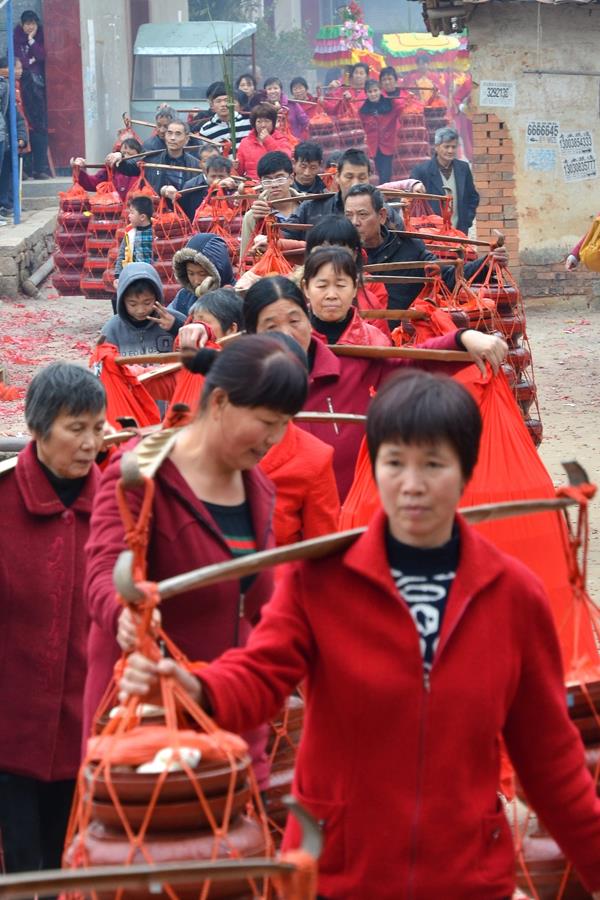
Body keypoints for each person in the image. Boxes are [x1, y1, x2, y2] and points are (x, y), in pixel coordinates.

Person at [121, 367, 600, 900]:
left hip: (464, 875)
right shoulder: (322, 580)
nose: (411, 484)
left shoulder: (512, 595)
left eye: (433, 464)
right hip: (339, 871)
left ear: (467, 471)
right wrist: (197, 687)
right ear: (374, 467)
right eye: (394, 462)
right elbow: (260, 674)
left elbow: (550, 759)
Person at [84, 335, 309, 788]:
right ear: (220, 402)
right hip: (149, 733)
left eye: (284, 424)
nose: (275, 438)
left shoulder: (258, 488)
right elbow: (104, 570)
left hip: (233, 726)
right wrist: (125, 614)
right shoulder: (142, 474)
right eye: (267, 422)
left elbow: (261, 606)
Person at [211, 275, 506, 498]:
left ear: (308, 319)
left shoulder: (350, 364)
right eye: (271, 326)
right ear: (252, 334)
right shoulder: (240, 389)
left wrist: (462, 339)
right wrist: (197, 330)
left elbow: (411, 364)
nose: (287, 334)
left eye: (294, 320)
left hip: (353, 514)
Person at [0, 362, 106, 876]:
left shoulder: (116, 508)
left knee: (72, 866)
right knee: (19, 865)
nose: (90, 444)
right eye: (76, 428)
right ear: (38, 429)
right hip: (9, 732)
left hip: (85, 731)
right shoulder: (3, 502)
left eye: (98, 428)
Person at [344, 183, 501, 312]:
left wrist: (487, 264)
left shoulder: (408, 247)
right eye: (348, 215)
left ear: (382, 216)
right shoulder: (340, 253)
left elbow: (448, 276)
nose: (354, 222)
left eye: (362, 214)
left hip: (400, 335)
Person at [283, 148, 403, 233]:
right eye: (349, 177)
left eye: (362, 178)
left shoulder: (383, 212)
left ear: (369, 178)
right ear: (337, 177)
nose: (355, 184)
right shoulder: (312, 208)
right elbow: (284, 236)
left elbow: (400, 244)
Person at [302, 245, 391, 347]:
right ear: (306, 288)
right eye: (322, 286)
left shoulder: (375, 341)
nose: (331, 295)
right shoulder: (293, 337)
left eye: (340, 285)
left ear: (355, 288)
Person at [101, 262, 183, 356]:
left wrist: (176, 326)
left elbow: (194, 352)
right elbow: (101, 361)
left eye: (147, 303)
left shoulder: (173, 319)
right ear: (122, 302)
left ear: (157, 297)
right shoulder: (112, 329)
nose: (141, 310)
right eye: (133, 304)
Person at [411, 126, 480, 235]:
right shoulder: (422, 171)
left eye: (453, 147)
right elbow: (412, 201)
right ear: (437, 147)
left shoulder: (463, 168)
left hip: (459, 230)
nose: (450, 151)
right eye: (446, 146)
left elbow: (473, 197)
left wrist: (467, 220)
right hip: (432, 232)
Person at [109, 118, 200, 197]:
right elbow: (129, 166)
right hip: (156, 209)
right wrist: (120, 157)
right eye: (169, 133)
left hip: (184, 209)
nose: (172, 138)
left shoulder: (196, 165)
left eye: (178, 134)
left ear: (186, 139)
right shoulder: (151, 159)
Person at [240, 150, 301, 257]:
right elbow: (246, 257)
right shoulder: (253, 216)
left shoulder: (307, 206)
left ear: (291, 179)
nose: (274, 185)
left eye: (280, 178)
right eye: (267, 181)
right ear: (261, 183)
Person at [13, 9, 50, 179]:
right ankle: (25, 170)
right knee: (23, 128)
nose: (29, 27)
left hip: (37, 91)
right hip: (24, 89)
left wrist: (31, 40)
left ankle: (40, 169)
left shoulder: (40, 36)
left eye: (32, 24)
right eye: (27, 24)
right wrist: (30, 61)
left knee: (39, 128)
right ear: (22, 24)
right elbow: (20, 62)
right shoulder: (16, 37)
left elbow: (41, 56)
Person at [167, 232, 235, 321]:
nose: (196, 281)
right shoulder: (184, 296)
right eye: (191, 273)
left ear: (219, 271)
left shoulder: (234, 297)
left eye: (202, 274)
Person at [162, 153, 237, 223]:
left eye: (221, 176)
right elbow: (177, 205)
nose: (216, 180)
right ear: (206, 174)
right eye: (213, 176)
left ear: (229, 175)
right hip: (198, 229)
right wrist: (165, 190)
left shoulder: (234, 187)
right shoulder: (192, 186)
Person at [71, 138, 142, 203]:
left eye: (130, 154)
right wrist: (78, 171)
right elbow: (93, 182)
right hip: (113, 209)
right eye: (123, 154)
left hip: (135, 210)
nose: (125, 157)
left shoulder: (142, 169)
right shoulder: (111, 169)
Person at [359, 79, 402, 184]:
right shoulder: (363, 110)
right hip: (371, 148)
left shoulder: (390, 104)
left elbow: (401, 108)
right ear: (366, 93)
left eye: (375, 90)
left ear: (380, 90)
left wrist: (393, 94)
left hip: (387, 146)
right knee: (373, 177)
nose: (373, 94)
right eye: (370, 92)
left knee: (385, 176)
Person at [235, 103, 293, 182]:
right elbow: (239, 172)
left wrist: (268, 141)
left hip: (275, 183)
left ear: (273, 123)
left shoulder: (282, 140)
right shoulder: (245, 142)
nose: (263, 125)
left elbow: (286, 161)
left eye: (267, 121)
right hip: (252, 185)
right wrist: (235, 167)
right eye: (259, 121)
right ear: (254, 124)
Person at [0, 56, 28, 217]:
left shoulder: (9, 89)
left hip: (6, 140)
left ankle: (7, 203)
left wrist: (21, 137)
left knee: (8, 172)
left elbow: (17, 118)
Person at [113, 195, 154, 283]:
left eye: (132, 213)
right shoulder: (130, 233)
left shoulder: (156, 231)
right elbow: (122, 255)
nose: (129, 216)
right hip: (134, 276)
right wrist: (118, 275)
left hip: (152, 276)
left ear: (142, 217)